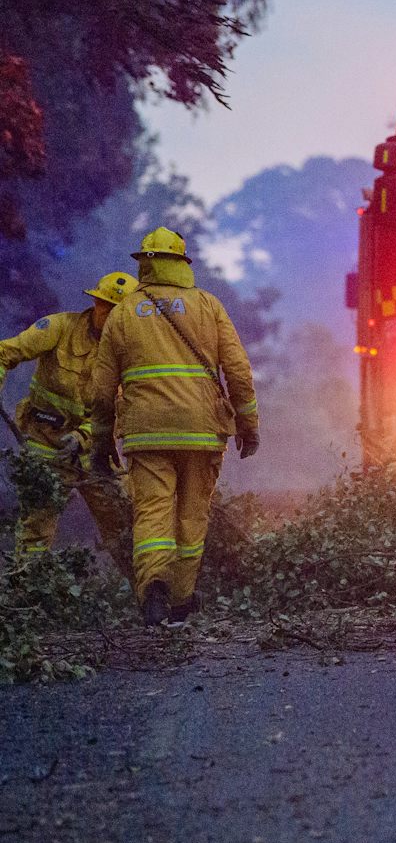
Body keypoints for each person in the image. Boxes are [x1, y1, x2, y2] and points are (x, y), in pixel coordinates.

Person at [89, 228, 259, 627]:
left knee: (151, 513)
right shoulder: (208, 306)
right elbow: (238, 372)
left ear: (145, 263)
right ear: (183, 263)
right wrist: (248, 427)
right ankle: (181, 602)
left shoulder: (124, 312)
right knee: (190, 515)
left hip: (146, 433)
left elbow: (101, 388)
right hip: (202, 431)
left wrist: (101, 441)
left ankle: (152, 590)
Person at [4, 272, 138, 569]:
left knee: (128, 524)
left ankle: (149, 602)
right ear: (94, 301)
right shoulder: (58, 327)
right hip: (45, 443)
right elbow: (4, 352)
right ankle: (30, 592)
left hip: (96, 451)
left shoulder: (132, 353)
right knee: (34, 535)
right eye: (105, 305)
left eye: (118, 310)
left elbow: (124, 406)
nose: (109, 314)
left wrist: (83, 436)